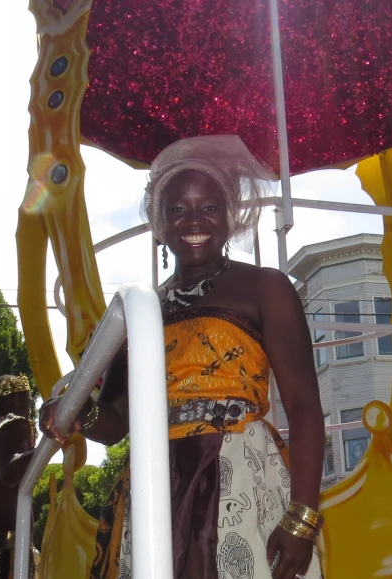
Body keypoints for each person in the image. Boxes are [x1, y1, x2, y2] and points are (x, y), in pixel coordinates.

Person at [40, 135, 325, 579]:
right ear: (160, 222)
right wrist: (78, 415)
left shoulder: (266, 288)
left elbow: (305, 406)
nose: (194, 220)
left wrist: (303, 521)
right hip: (158, 480)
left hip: (240, 471)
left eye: (208, 206)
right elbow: (116, 423)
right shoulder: (140, 311)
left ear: (229, 216)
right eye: (178, 209)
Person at [0, 374, 38, 579]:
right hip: (9, 552)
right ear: (14, 400)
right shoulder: (16, 424)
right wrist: (51, 443)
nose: (29, 407)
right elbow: (10, 474)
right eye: (28, 400)